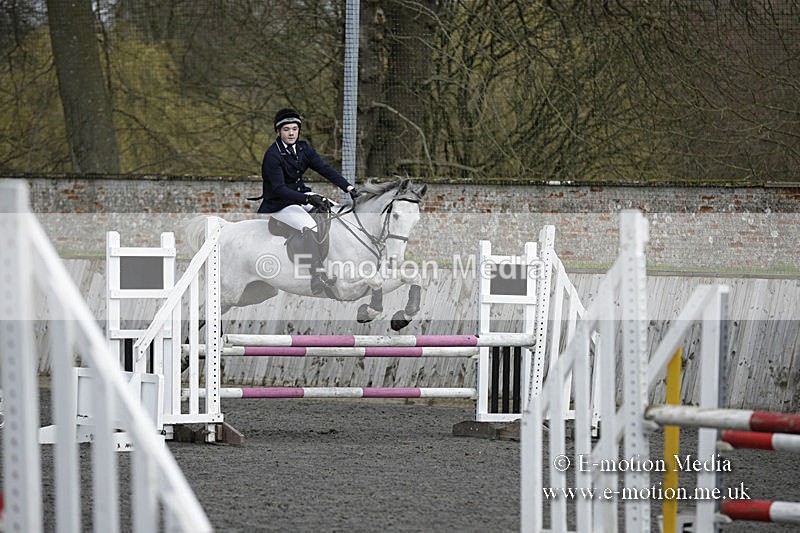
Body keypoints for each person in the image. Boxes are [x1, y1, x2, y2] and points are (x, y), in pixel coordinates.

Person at [257, 108, 360, 294]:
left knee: (334, 210)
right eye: (286, 129)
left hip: (300, 196)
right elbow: (279, 189)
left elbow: (324, 169)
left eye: (294, 129)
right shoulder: (272, 155)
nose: (291, 133)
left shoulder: (303, 148)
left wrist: (349, 188)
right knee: (310, 226)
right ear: (278, 131)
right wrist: (308, 198)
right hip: (280, 203)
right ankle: (317, 276)